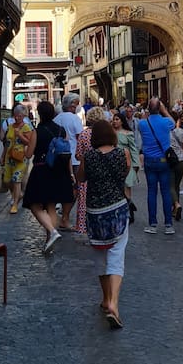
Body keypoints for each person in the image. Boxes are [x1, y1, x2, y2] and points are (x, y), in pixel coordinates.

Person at [77, 119, 131, 330]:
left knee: (100, 254)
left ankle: (105, 297)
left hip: (95, 211)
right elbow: (124, 174)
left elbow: (80, 178)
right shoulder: (122, 154)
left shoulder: (89, 156)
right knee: (117, 254)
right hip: (117, 207)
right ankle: (113, 303)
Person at [22, 101, 76, 253]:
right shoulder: (61, 130)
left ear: (39, 114)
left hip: (41, 170)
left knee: (33, 203)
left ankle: (52, 232)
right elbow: (67, 153)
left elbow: (29, 154)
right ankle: (49, 242)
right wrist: (71, 173)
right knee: (51, 205)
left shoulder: (36, 131)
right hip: (60, 170)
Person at [138, 97, 175, 235]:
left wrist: (147, 113)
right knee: (165, 192)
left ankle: (152, 223)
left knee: (151, 192)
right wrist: (164, 110)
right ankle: (168, 224)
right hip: (163, 160)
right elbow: (173, 123)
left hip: (149, 160)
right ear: (160, 108)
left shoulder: (142, 123)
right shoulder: (166, 122)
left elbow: (141, 123)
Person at [74, 108, 108, 237]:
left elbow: (78, 155)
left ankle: (83, 227)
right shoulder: (106, 134)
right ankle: (101, 226)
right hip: (103, 172)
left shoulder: (84, 134)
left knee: (84, 201)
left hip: (87, 172)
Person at [1, 102, 35, 213]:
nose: (17, 117)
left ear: (23, 116)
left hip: (21, 158)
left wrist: (20, 135)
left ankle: (14, 204)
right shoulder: (10, 126)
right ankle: (18, 194)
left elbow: (29, 142)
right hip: (9, 156)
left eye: (20, 116)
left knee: (16, 180)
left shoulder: (26, 127)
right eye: (15, 115)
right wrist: (2, 156)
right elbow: (7, 142)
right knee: (6, 181)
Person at [111, 110, 140, 223]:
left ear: (122, 121)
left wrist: (136, 164)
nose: (114, 121)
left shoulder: (128, 134)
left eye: (117, 119)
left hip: (126, 162)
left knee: (126, 187)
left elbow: (133, 149)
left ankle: (129, 211)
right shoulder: (110, 133)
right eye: (113, 119)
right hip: (113, 163)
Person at [168, 113, 183, 221]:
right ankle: (175, 209)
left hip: (171, 160)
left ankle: (176, 205)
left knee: (170, 185)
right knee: (177, 185)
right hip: (181, 160)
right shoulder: (181, 132)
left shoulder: (166, 133)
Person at [58, 94, 84, 165]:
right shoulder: (75, 119)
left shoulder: (56, 119)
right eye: (78, 104)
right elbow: (80, 137)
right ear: (72, 105)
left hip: (59, 158)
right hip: (74, 159)